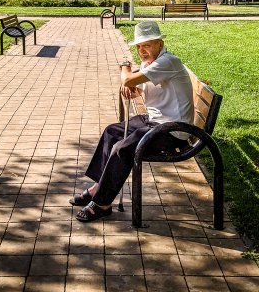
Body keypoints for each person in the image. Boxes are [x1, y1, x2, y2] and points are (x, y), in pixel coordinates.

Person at [70, 21, 194, 222]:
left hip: (173, 131)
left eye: (147, 45)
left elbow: (126, 78)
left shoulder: (168, 62)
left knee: (122, 148)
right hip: (156, 122)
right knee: (112, 132)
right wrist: (132, 88)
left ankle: (102, 203)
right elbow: (137, 89)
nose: (141, 50)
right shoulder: (151, 64)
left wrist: (124, 67)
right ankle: (98, 189)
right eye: (138, 46)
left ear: (160, 44)